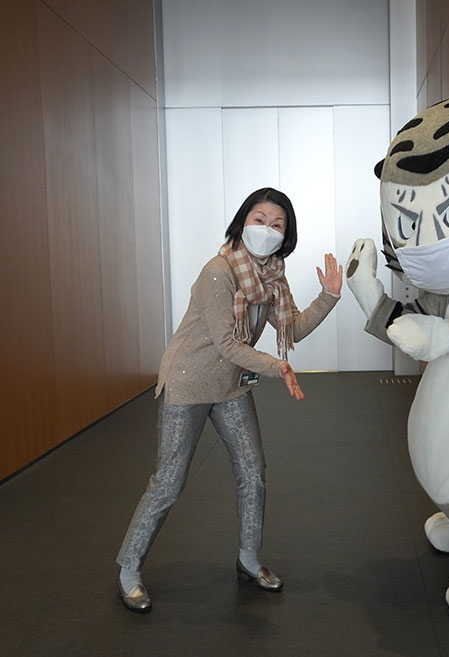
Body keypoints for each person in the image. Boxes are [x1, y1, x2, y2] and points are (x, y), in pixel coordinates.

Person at [116, 187, 342, 612]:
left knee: (253, 471)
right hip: (188, 382)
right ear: (242, 222)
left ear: (286, 235)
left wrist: (329, 296)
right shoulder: (218, 272)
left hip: (231, 384)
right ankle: (128, 569)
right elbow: (225, 343)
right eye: (260, 219)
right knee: (168, 483)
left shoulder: (273, 275)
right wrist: (278, 367)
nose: (267, 230)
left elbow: (290, 328)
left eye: (278, 225)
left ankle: (249, 560)